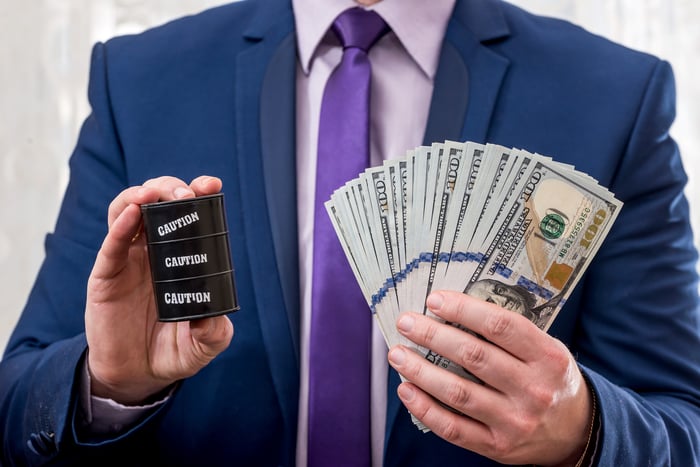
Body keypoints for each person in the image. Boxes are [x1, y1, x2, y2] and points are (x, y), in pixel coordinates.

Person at [1, 0, 699, 465]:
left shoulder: (612, 96)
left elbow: (684, 424)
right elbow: (16, 404)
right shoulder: (141, 80)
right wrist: (109, 384)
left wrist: (583, 428)